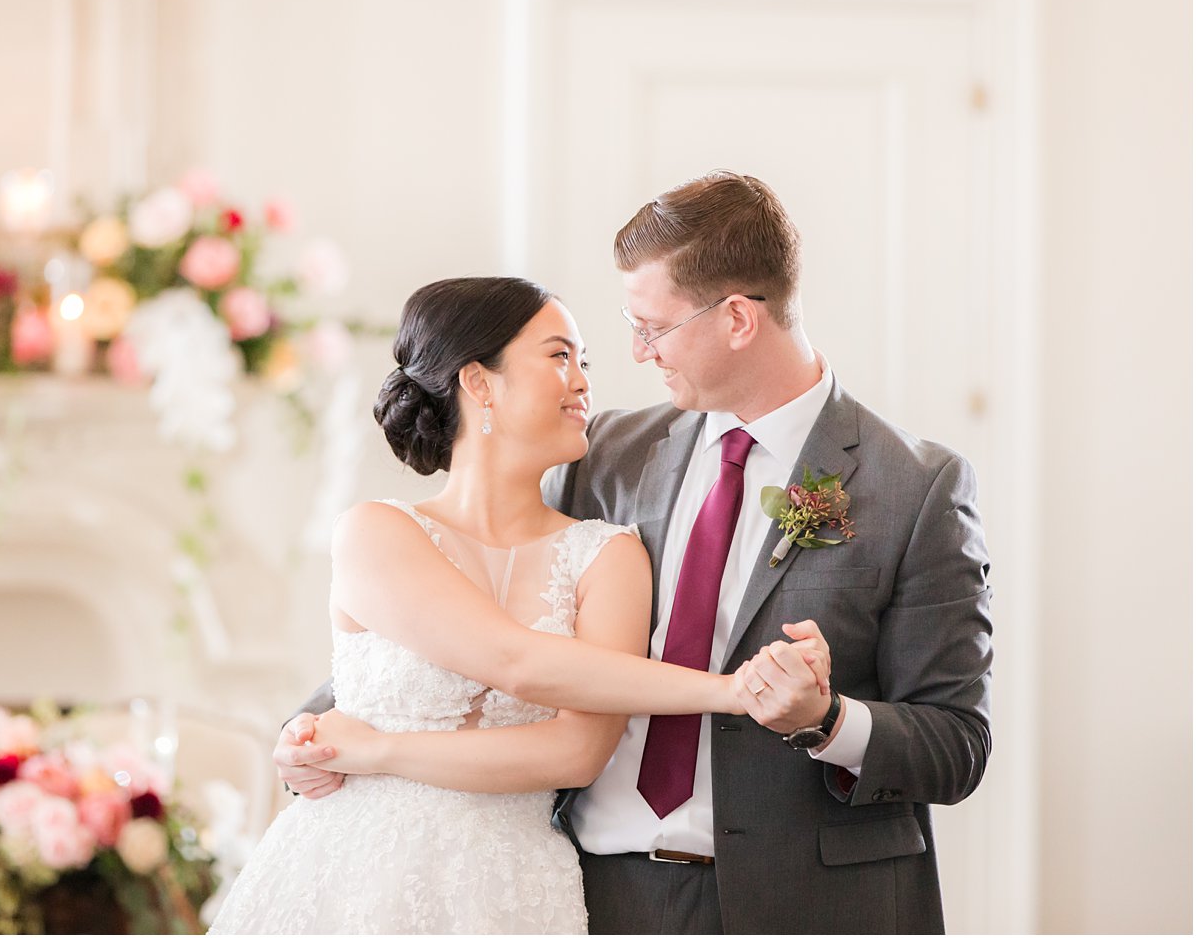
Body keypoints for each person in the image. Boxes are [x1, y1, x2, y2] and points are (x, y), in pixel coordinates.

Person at [277, 173, 993, 934]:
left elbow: (958, 744)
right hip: (598, 897)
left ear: (739, 320)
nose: (636, 351)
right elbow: (485, 617)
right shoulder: (606, 455)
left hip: (807, 904)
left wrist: (827, 718)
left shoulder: (916, 486)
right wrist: (316, 731)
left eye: (652, 327)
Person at [207, 276, 831, 935]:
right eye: (560, 356)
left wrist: (375, 751)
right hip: (350, 874)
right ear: (478, 382)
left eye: (583, 361)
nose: (584, 380)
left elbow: (575, 752)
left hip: (514, 889)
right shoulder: (374, 531)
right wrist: (731, 690)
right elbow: (510, 658)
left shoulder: (609, 554)